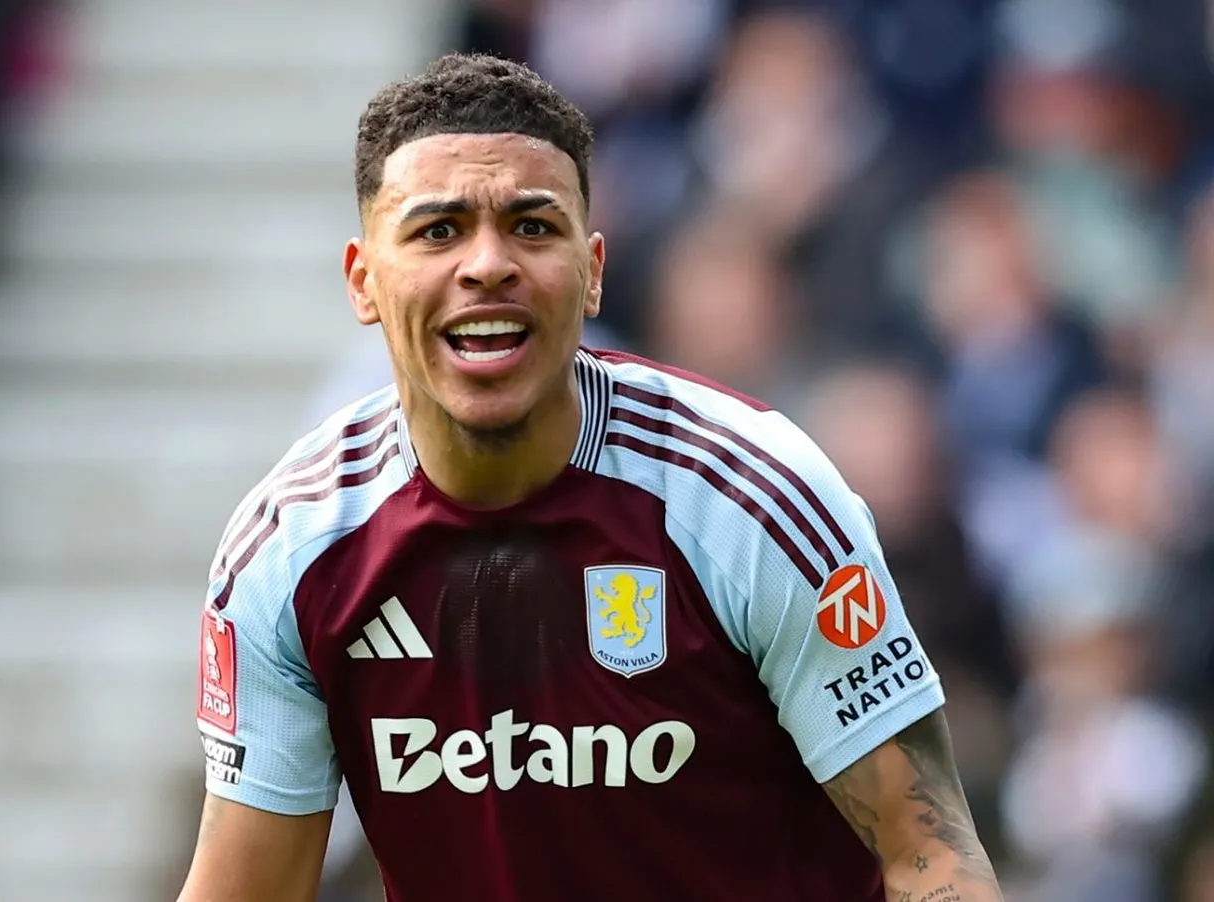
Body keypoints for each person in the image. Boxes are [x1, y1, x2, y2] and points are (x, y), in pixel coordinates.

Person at [176, 53, 1004, 902]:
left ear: (595, 268)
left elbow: (929, 853)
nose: (488, 264)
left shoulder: (749, 497)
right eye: (438, 230)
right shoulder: (291, 552)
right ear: (364, 281)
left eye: (532, 226)